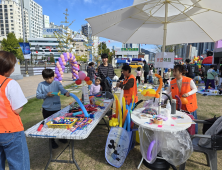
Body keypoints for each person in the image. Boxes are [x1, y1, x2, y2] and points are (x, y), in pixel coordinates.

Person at [0, 51, 30, 169]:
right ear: (9, 68)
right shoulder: (10, 83)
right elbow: (17, 109)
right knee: (19, 165)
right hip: (10, 130)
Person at [36, 69, 70, 149]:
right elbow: (38, 95)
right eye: (46, 78)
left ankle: (60, 137)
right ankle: (52, 141)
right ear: (43, 78)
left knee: (59, 124)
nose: (49, 80)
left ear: (53, 76)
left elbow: (62, 90)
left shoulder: (57, 83)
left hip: (56, 108)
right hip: (46, 109)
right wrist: (46, 95)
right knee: (49, 126)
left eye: (50, 78)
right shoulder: (41, 84)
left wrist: (66, 93)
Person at [166, 65, 198, 133]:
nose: (173, 73)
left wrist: (188, 94)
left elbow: (195, 89)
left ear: (181, 72)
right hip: (178, 107)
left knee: (191, 123)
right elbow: (167, 92)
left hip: (189, 106)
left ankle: (193, 136)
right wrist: (160, 94)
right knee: (180, 123)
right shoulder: (172, 82)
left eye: (175, 71)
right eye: (173, 71)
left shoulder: (189, 80)